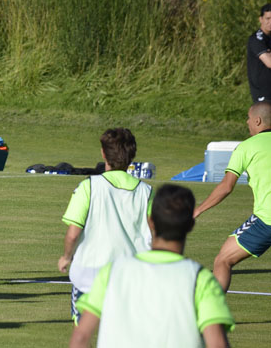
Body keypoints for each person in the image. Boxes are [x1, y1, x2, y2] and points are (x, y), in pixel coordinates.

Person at [70, 184, 234, 348]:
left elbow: (80, 338)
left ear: (151, 222)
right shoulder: (202, 279)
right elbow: (217, 344)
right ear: (191, 225)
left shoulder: (112, 272)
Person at [57, 128, 153, 324]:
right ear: (132, 156)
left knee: (83, 333)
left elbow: (73, 234)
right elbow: (156, 234)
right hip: (130, 275)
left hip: (90, 274)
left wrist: (66, 257)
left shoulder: (89, 186)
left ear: (103, 153)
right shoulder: (146, 191)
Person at [194, 101, 271, 292]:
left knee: (223, 260)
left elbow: (226, 186)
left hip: (266, 220)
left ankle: (213, 314)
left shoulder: (245, 147)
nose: (247, 122)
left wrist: (199, 209)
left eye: (249, 118)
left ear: (258, 120)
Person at [247, 3, 271, 103]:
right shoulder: (256, 39)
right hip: (263, 92)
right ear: (261, 19)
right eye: (268, 18)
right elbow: (269, 62)